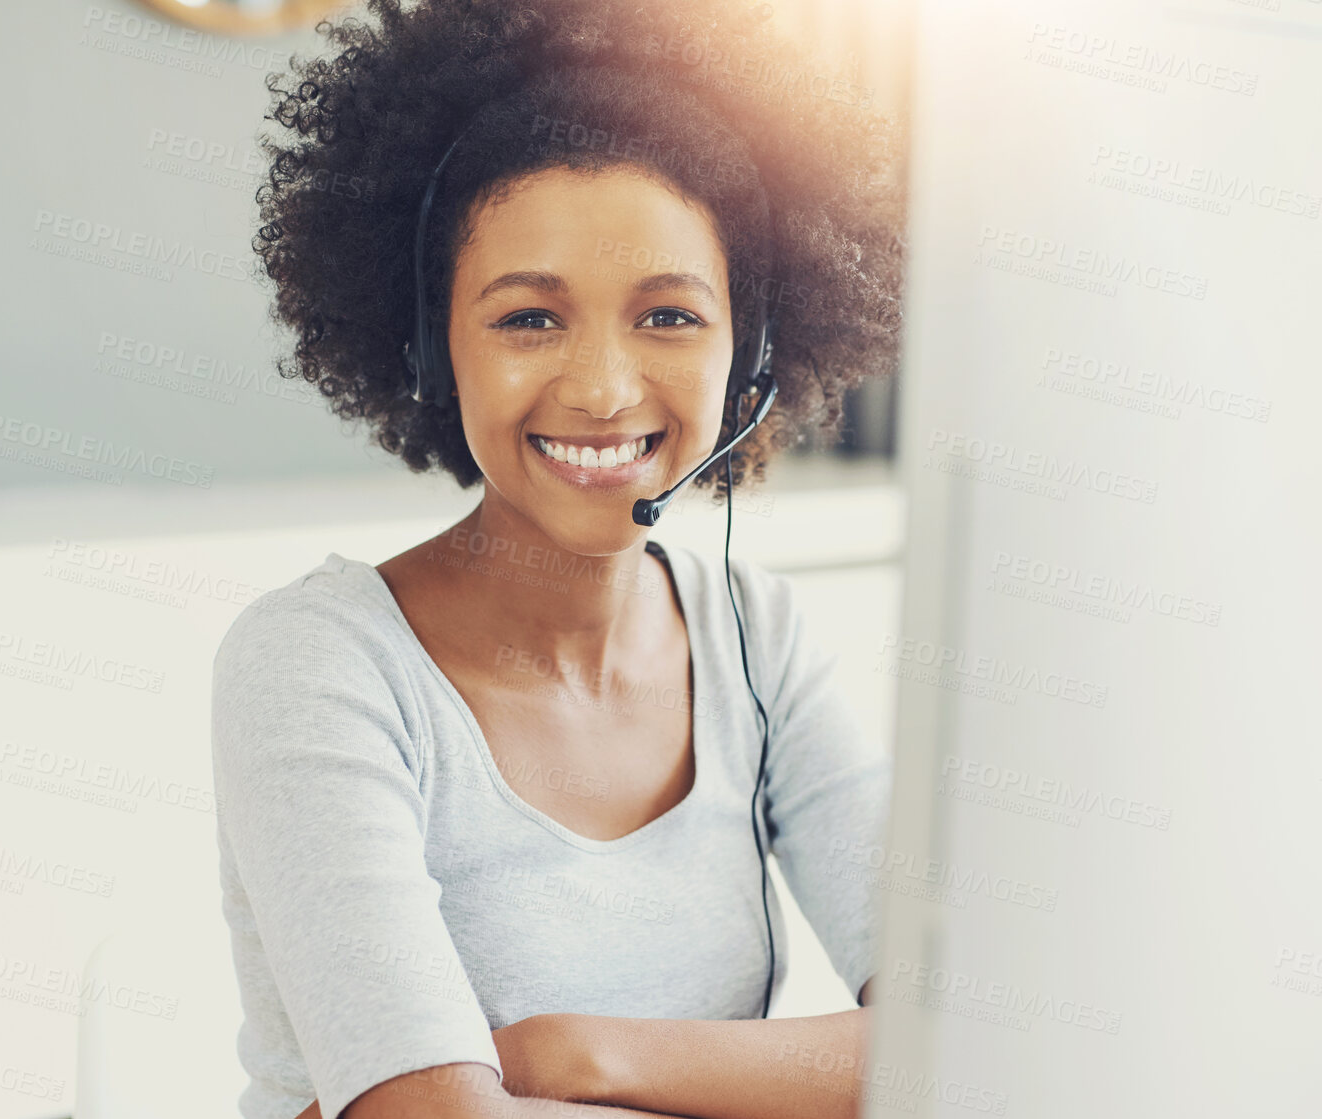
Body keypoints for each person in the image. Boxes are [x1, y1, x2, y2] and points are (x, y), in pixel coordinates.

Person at [211, 1, 906, 1116]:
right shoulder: (317, 665)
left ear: (755, 351)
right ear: (434, 346)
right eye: (529, 318)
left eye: (669, 316)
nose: (601, 388)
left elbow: (972, 1036)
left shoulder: (755, 639)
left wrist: (564, 1055)